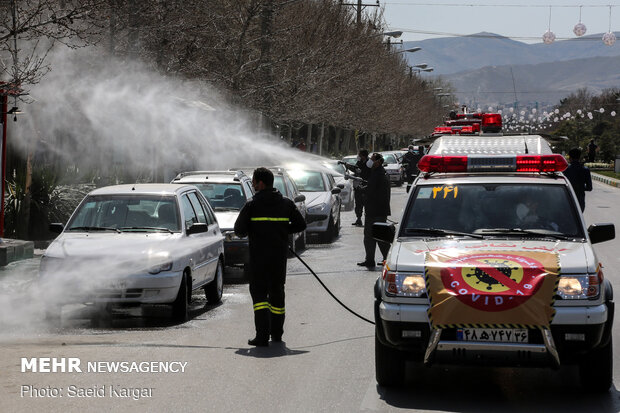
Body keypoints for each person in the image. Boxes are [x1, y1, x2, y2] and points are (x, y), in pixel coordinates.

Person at [234, 167, 307, 346]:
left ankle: (261, 336)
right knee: (277, 295)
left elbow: (239, 230)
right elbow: (300, 224)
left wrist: (255, 230)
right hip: (278, 260)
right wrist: (281, 231)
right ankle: (277, 334)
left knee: (259, 296)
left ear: (260, 183)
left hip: (258, 260)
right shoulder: (286, 204)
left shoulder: (252, 204)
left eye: (253, 182)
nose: (252, 185)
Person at [357, 153, 391, 268]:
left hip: (376, 211)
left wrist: (362, 190)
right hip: (375, 210)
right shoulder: (376, 172)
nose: (370, 161)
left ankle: (387, 259)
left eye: (372, 159)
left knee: (378, 237)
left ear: (378, 162)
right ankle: (370, 259)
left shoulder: (379, 174)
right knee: (371, 237)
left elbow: (372, 191)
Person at [343, 149, 371, 226]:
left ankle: (368, 221)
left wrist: (360, 173)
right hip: (358, 187)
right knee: (358, 204)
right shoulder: (359, 162)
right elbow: (356, 169)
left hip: (366, 186)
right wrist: (348, 166)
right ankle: (358, 219)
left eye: (359, 155)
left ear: (363, 155)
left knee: (366, 204)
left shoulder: (369, 163)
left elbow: (365, 173)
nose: (358, 156)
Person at [563, 147, 593, 212]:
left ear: (569, 157)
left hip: (567, 200)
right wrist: (581, 186)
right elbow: (589, 188)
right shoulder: (585, 170)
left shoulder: (565, 170)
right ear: (579, 157)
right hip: (580, 202)